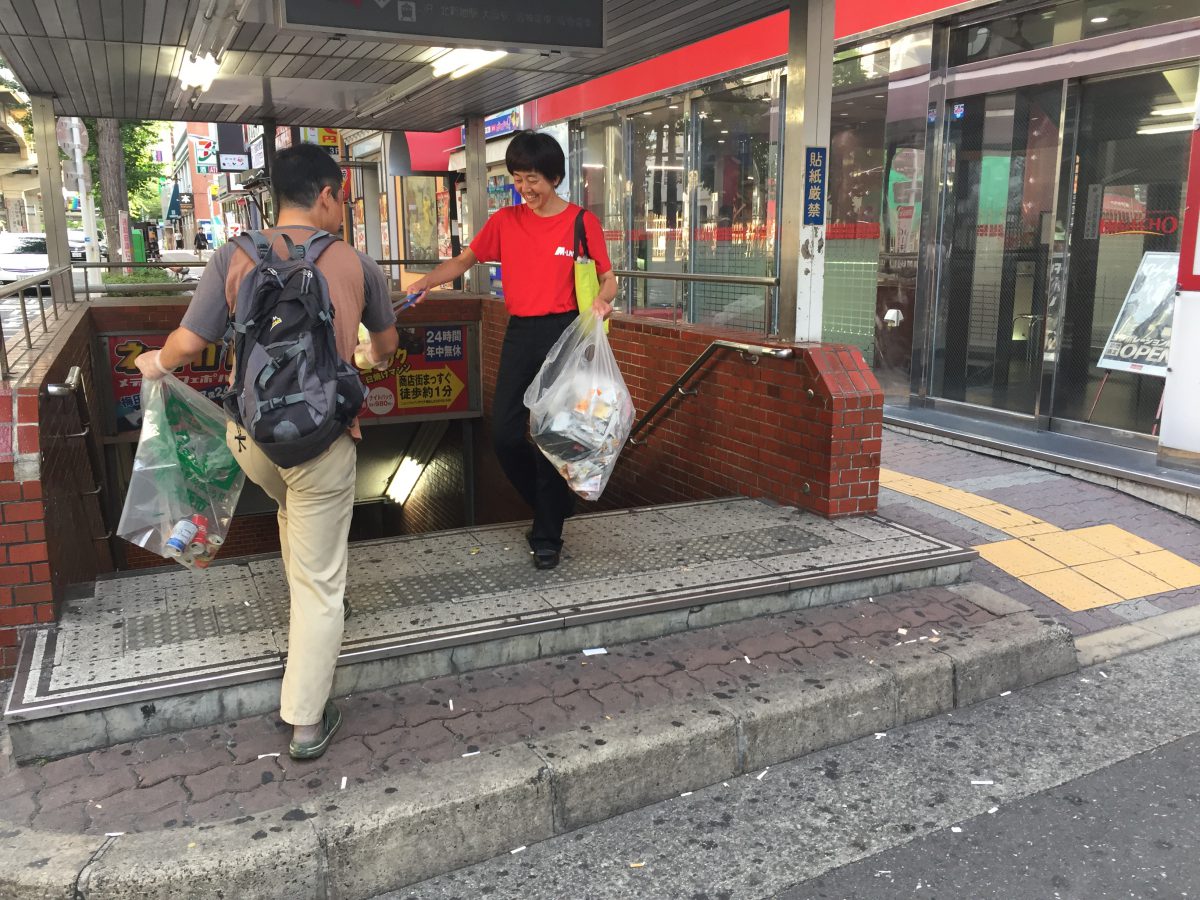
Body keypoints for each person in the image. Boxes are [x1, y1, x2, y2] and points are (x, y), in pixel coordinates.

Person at [135, 143, 398, 760]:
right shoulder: (356, 263)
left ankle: (307, 601)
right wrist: (364, 356)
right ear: (328, 194)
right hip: (322, 443)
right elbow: (384, 345)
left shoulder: (235, 254)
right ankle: (306, 722)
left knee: (292, 517)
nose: (342, 208)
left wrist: (155, 360)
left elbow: (190, 341)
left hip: (250, 439)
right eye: (342, 197)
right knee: (321, 583)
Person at [407, 130, 617, 570]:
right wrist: (428, 280)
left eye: (534, 179)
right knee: (504, 434)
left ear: (555, 176)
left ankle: (547, 536)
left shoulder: (581, 222)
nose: (525, 189)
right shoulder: (505, 222)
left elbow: (608, 276)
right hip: (521, 332)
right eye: (519, 178)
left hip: (567, 334)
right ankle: (552, 505)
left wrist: (603, 298)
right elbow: (466, 260)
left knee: (553, 435)